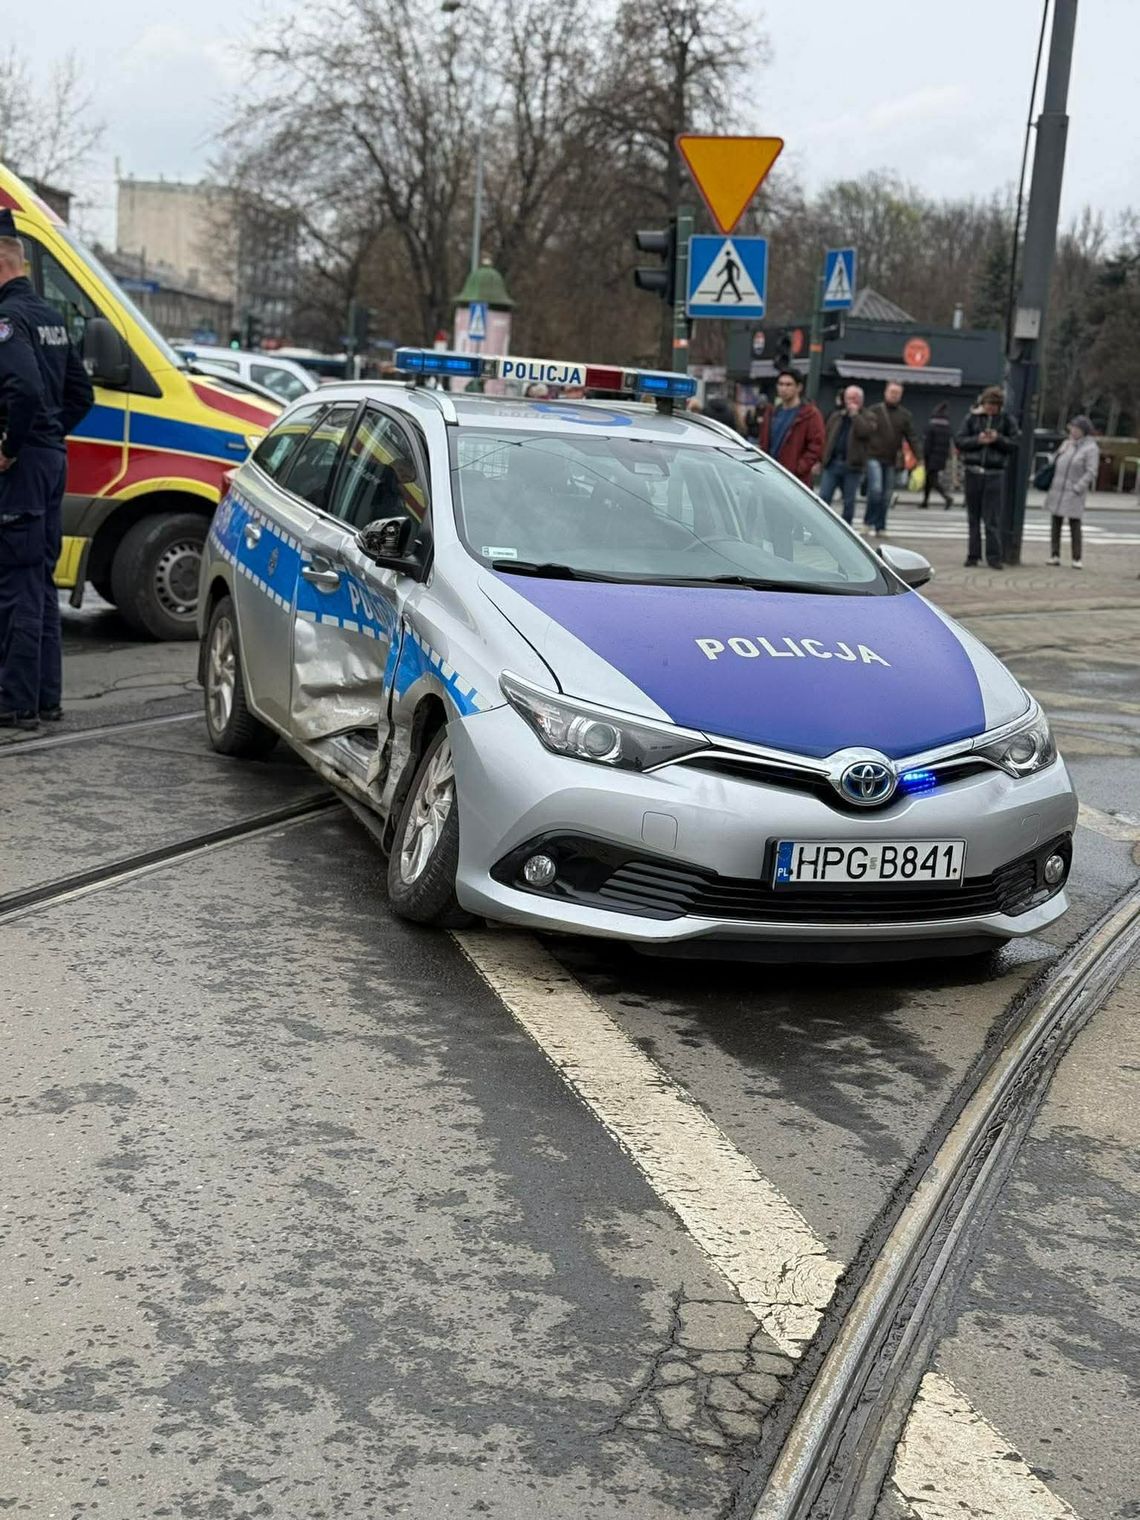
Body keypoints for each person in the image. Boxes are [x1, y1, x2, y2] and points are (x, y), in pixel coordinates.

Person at [0, 211, 94, 729]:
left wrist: (13, 445)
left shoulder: (9, 320)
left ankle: (15, 703)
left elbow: (26, 391)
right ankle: (45, 698)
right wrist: (51, 435)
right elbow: (82, 393)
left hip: (24, 466)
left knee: (15, 583)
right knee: (38, 580)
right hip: (51, 460)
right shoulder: (51, 316)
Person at [955, 385, 1018, 570]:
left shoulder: (1006, 420)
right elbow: (960, 440)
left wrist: (997, 439)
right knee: (973, 516)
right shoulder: (972, 418)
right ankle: (973, 555)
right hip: (973, 470)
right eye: (988, 404)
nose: (990, 408)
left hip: (994, 472)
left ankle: (994, 557)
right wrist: (978, 440)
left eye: (994, 405)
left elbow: (1014, 444)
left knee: (992, 518)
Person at [865, 380, 921, 534]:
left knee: (886, 495)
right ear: (886, 393)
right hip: (873, 456)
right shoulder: (874, 411)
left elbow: (912, 437)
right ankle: (868, 521)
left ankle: (880, 526)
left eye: (897, 393)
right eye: (892, 392)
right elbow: (864, 433)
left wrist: (919, 458)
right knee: (876, 490)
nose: (894, 396)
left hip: (890, 459)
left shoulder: (905, 415)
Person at [817, 385, 879, 524]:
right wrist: (821, 459)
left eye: (854, 398)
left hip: (853, 465)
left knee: (849, 501)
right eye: (848, 398)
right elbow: (826, 437)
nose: (851, 401)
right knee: (824, 497)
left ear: (861, 400)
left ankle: (847, 528)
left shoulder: (869, 416)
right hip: (833, 463)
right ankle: (819, 526)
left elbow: (865, 432)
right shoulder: (837, 416)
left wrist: (855, 415)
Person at [1045, 415, 1098, 570]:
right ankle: (1054, 554)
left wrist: (1078, 487)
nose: (1073, 431)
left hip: (1073, 491)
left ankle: (1077, 557)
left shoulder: (1090, 448)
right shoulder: (1067, 444)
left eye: (1076, 428)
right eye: (1072, 428)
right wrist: (1061, 451)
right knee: (1056, 522)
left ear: (1083, 431)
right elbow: (1054, 462)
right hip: (1058, 488)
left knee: (1074, 523)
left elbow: (1091, 471)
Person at [757, 368, 825, 486]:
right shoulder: (772, 413)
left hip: (794, 479)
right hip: (770, 474)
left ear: (798, 387)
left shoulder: (810, 414)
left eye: (789, 385)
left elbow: (816, 446)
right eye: (781, 384)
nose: (783, 388)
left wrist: (799, 468)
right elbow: (764, 443)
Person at [921, 401, 955, 509]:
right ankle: (925, 501)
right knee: (929, 479)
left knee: (932, 479)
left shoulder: (931, 427)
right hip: (941, 456)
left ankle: (947, 497)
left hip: (931, 457)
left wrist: (924, 456)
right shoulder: (947, 428)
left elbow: (927, 444)